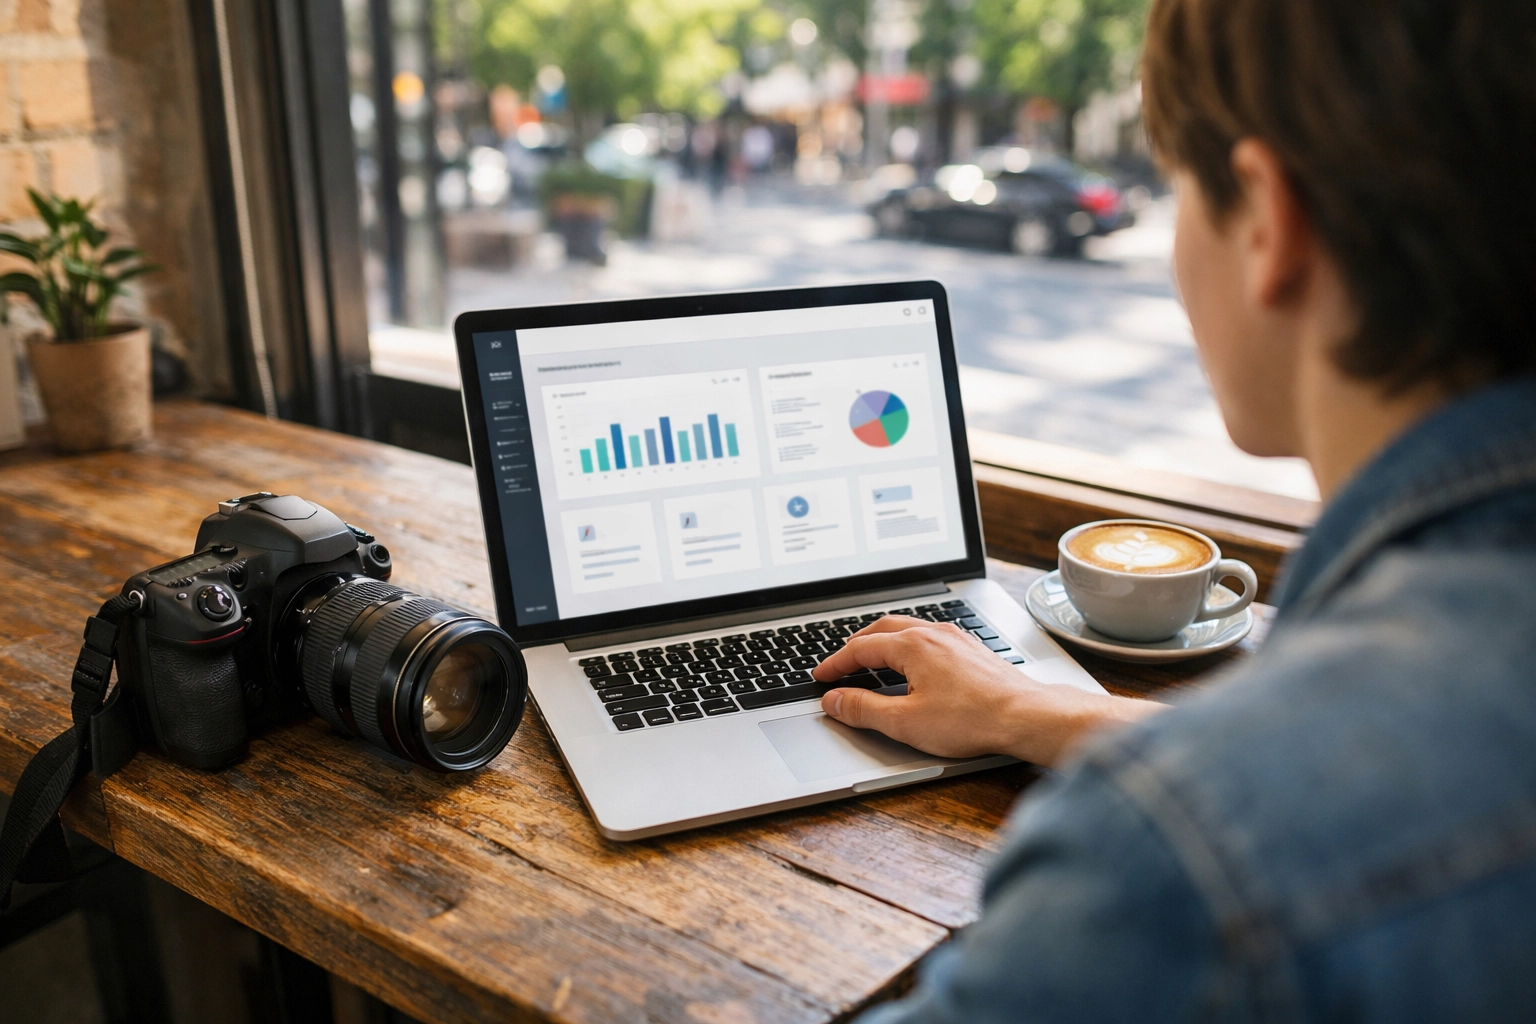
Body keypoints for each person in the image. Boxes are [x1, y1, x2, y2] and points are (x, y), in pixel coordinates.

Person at [811, 0, 1536, 1018]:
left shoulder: (1173, 875)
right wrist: (1038, 710)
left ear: (1266, 220)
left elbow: (1253, 824)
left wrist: (1167, 799)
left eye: (1183, 191)